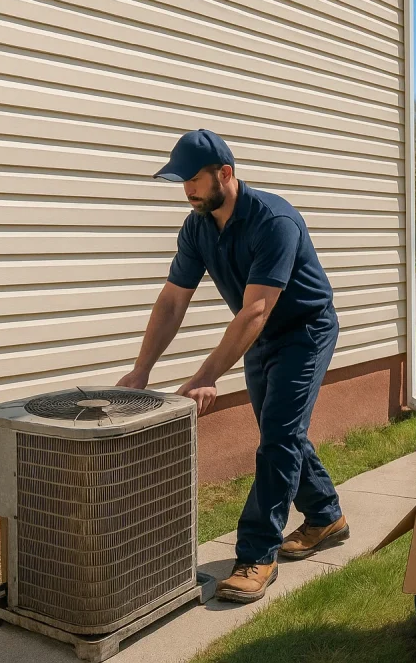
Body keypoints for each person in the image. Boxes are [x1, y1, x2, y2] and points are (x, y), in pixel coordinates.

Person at [117, 129, 349, 604]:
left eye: (195, 179)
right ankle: (326, 515)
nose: (188, 190)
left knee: (279, 438)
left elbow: (256, 310)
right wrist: (142, 369)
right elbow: (172, 301)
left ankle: (257, 554)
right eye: (181, 181)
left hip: (304, 331)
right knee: (282, 431)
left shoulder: (274, 221)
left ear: (225, 173)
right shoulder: (198, 226)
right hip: (258, 337)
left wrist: (206, 376)